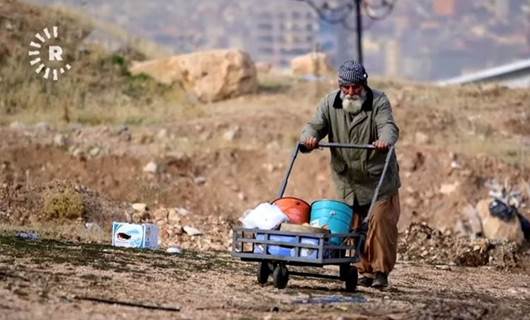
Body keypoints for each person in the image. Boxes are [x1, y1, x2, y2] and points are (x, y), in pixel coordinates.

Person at [300, 60, 401, 288]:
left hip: (378, 180)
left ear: (363, 85)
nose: (351, 92)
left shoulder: (378, 101)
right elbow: (314, 125)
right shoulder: (329, 103)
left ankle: (381, 272)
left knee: (380, 224)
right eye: (346, 87)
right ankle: (363, 270)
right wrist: (309, 139)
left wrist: (384, 140)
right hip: (348, 181)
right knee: (353, 226)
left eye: (356, 87)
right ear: (340, 86)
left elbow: (388, 126)